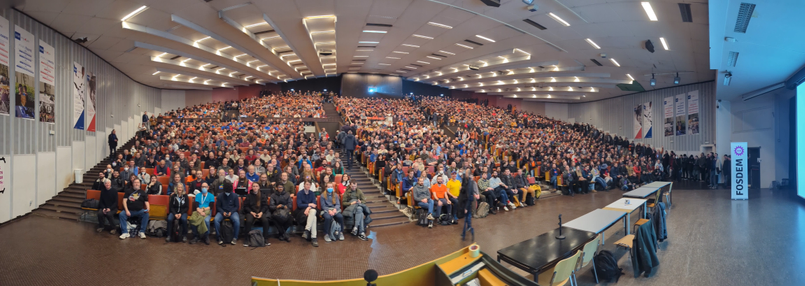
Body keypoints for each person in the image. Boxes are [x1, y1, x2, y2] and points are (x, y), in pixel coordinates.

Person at [214, 181, 240, 245]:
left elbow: (237, 206)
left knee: (237, 221)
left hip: (232, 212)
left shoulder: (235, 196)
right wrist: (223, 212)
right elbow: (218, 206)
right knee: (216, 220)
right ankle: (219, 237)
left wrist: (231, 212)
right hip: (222, 212)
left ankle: (235, 237)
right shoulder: (220, 196)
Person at [295, 181, 319, 247]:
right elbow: (299, 205)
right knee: (314, 217)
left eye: (309, 185)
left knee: (313, 213)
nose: (308, 186)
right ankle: (314, 238)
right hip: (302, 211)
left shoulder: (312, 193)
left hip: (310, 210)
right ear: (304, 185)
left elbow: (314, 204)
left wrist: (308, 208)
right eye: (307, 184)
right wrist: (308, 205)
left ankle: (307, 230)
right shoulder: (299, 193)